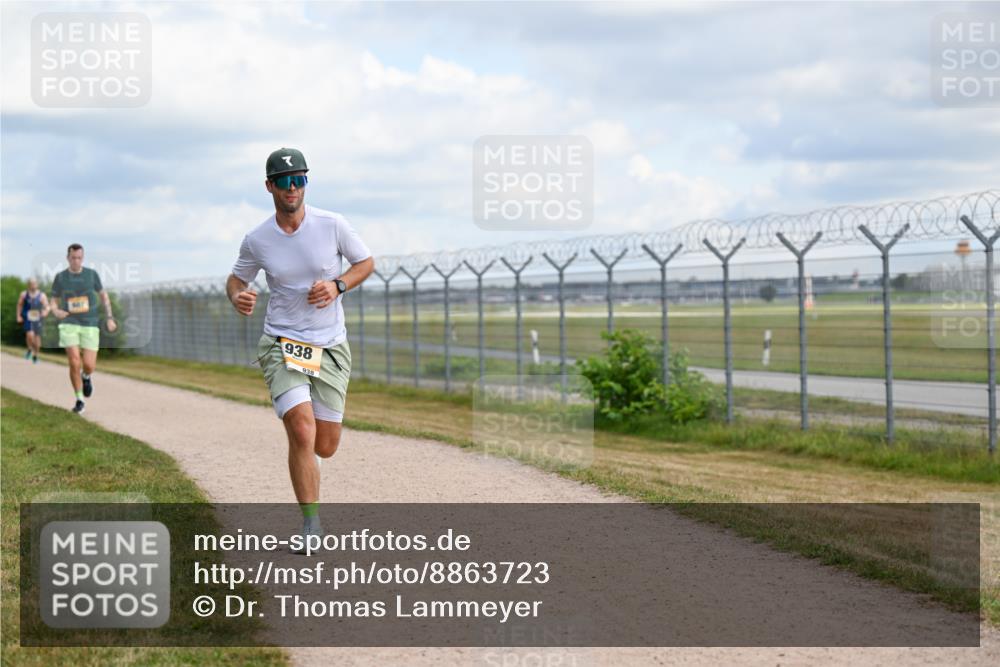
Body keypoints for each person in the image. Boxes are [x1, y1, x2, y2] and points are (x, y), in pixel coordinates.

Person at [226, 148, 374, 547]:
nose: (293, 188)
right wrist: (238, 296)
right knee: (301, 429)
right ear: (270, 186)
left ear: (305, 183)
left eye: (300, 179)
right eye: (285, 181)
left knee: (325, 444)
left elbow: (365, 263)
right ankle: (311, 526)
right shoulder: (257, 239)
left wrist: (339, 284)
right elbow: (236, 280)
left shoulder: (333, 224)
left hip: (330, 345)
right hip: (282, 342)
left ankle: (310, 475)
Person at [49, 244, 117, 414]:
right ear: (68, 258)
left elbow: (103, 296)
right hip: (68, 322)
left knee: (88, 365)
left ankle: (86, 376)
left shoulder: (91, 275)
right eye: (73, 258)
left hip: (89, 324)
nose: (76, 261)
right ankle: (79, 399)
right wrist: (56, 311)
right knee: (74, 361)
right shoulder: (61, 277)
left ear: (83, 258)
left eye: (79, 258)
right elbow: (53, 300)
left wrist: (109, 317)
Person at [16, 278, 50, 363]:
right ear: (29, 285)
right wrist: (18, 316)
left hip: (38, 318)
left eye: (35, 283)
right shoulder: (24, 294)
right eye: (31, 283)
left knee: (37, 338)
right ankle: (30, 349)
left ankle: (35, 355)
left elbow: (47, 306)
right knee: (30, 334)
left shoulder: (42, 295)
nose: (33, 285)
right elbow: (19, 305)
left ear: (37, 284)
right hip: (27, 317)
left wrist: (46, 312)